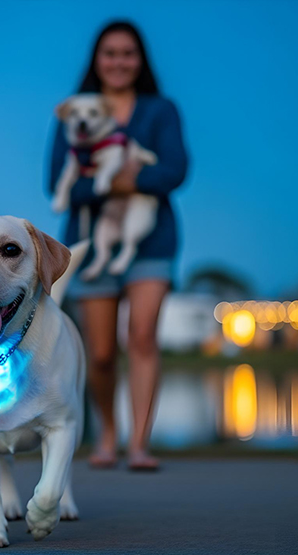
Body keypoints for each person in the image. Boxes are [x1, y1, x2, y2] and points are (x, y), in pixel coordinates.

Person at [45, 20, 188, 471]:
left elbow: (175, 172)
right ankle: (107, 432)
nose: (119, 61)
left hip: (152, 240)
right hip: (90, 243)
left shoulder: (160, 110)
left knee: (142, 337)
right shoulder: (76, 112)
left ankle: (139, 444)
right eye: (110, 53)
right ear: (96, 60)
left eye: (128, 53)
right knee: (101, 352)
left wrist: (117, 179)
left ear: (140, 59)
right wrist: (129, 181)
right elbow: (57, 185)